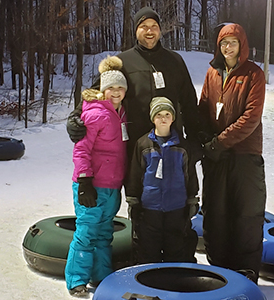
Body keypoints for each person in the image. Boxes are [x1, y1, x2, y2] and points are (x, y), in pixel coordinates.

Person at [65, 6, 202, 264]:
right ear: (135, 30)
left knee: (177, 211)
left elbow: (190, 104)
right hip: (138, 153)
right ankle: (144, 266)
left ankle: (179, 268)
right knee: (141, 208)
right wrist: (75, 116)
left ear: (160, 30)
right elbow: (98, 93)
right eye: (143, 26)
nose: (149, 31)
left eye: (154, 26)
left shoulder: (175, 61)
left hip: (173, 151)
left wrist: (195, 142)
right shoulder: (123, 61)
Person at [197, 23, 266, 284]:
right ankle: (219, 275)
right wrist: (205, 138)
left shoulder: (253, 74)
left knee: (246, 215)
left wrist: (221, 143)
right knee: (216, 214)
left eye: (233, 42)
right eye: (223, 43)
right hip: (216, 157)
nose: (227, 47)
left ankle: (245, 276)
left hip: (244, 156)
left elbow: (251, 117)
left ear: (242, 45)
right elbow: (203, 106)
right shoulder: (212, 73)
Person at [65, 56, 129, 297]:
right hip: (92, 184)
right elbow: (81, 148)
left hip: (112, 186)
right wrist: (84, 181)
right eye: (110, 88)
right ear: (102, 89)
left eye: (120, 88)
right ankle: (76, 280)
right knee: (86, 232)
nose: (115, 92)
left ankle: (101, 276)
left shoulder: (121, 113)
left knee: (104, 234)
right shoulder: (96, 113)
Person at [125, 96, 199, 264]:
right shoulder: (143, 145)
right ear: (153, 118)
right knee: (149, 249)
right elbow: (136, 175)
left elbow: (190, 175)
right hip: (150, 208)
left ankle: (174, 284)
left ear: (173, 118)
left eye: (167, 114)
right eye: (159, 115)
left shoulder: (182, 146)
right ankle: (150, 284)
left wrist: (192, 199)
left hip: (176, 208)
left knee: (176, 248)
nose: (163, 118)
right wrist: (133, 201)